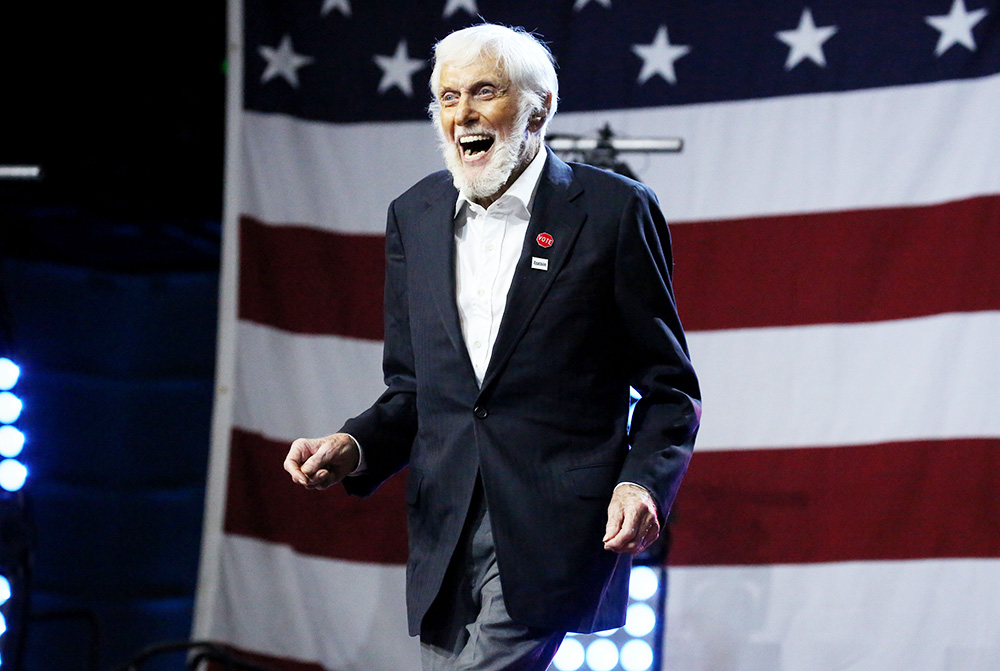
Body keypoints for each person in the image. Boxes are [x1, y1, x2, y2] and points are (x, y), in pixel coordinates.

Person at [284, 23, 700, 671]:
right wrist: (356, 444)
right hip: (443, 526)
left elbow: (671, 389)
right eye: (448, 98)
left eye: (485, 92)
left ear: (539, 109)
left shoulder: (614, 211)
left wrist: (641, 480)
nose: (464, 114)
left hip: (555, 522)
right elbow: (412, 388)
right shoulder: (413, 215)